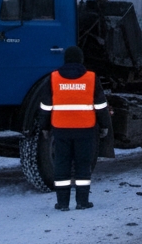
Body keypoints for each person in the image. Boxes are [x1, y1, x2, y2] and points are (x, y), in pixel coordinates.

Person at [36, 45, 110, 211]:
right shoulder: (91, 78)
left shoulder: (54, 78)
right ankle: (82, 202)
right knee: (83, 165)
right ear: (81, 60)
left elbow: (45, 107)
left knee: (62, 164)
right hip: (85, 129)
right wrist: (105, 125)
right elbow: (101, 106)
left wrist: (44, 127)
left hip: (61, 129)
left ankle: (62, 203)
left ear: (65, 60)